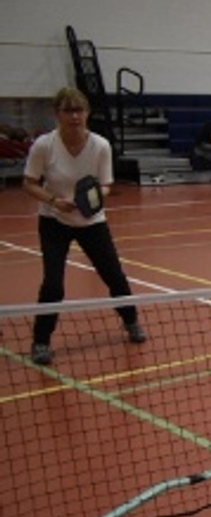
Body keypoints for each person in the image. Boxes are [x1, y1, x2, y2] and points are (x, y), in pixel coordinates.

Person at [23, 87, 146, 366]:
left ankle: (131, 321)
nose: (75, 116)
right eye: (68, 110)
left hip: (91, 221)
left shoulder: (100, 145)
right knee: (53, 285)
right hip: (54, 221)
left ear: (87, 113)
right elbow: (29, 183)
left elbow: (106, 185)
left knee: (114, 276)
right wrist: (54, 200)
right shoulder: (44, 145)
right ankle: (41, 340)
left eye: (79, 110)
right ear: (57, 114)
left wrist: (88, 199)